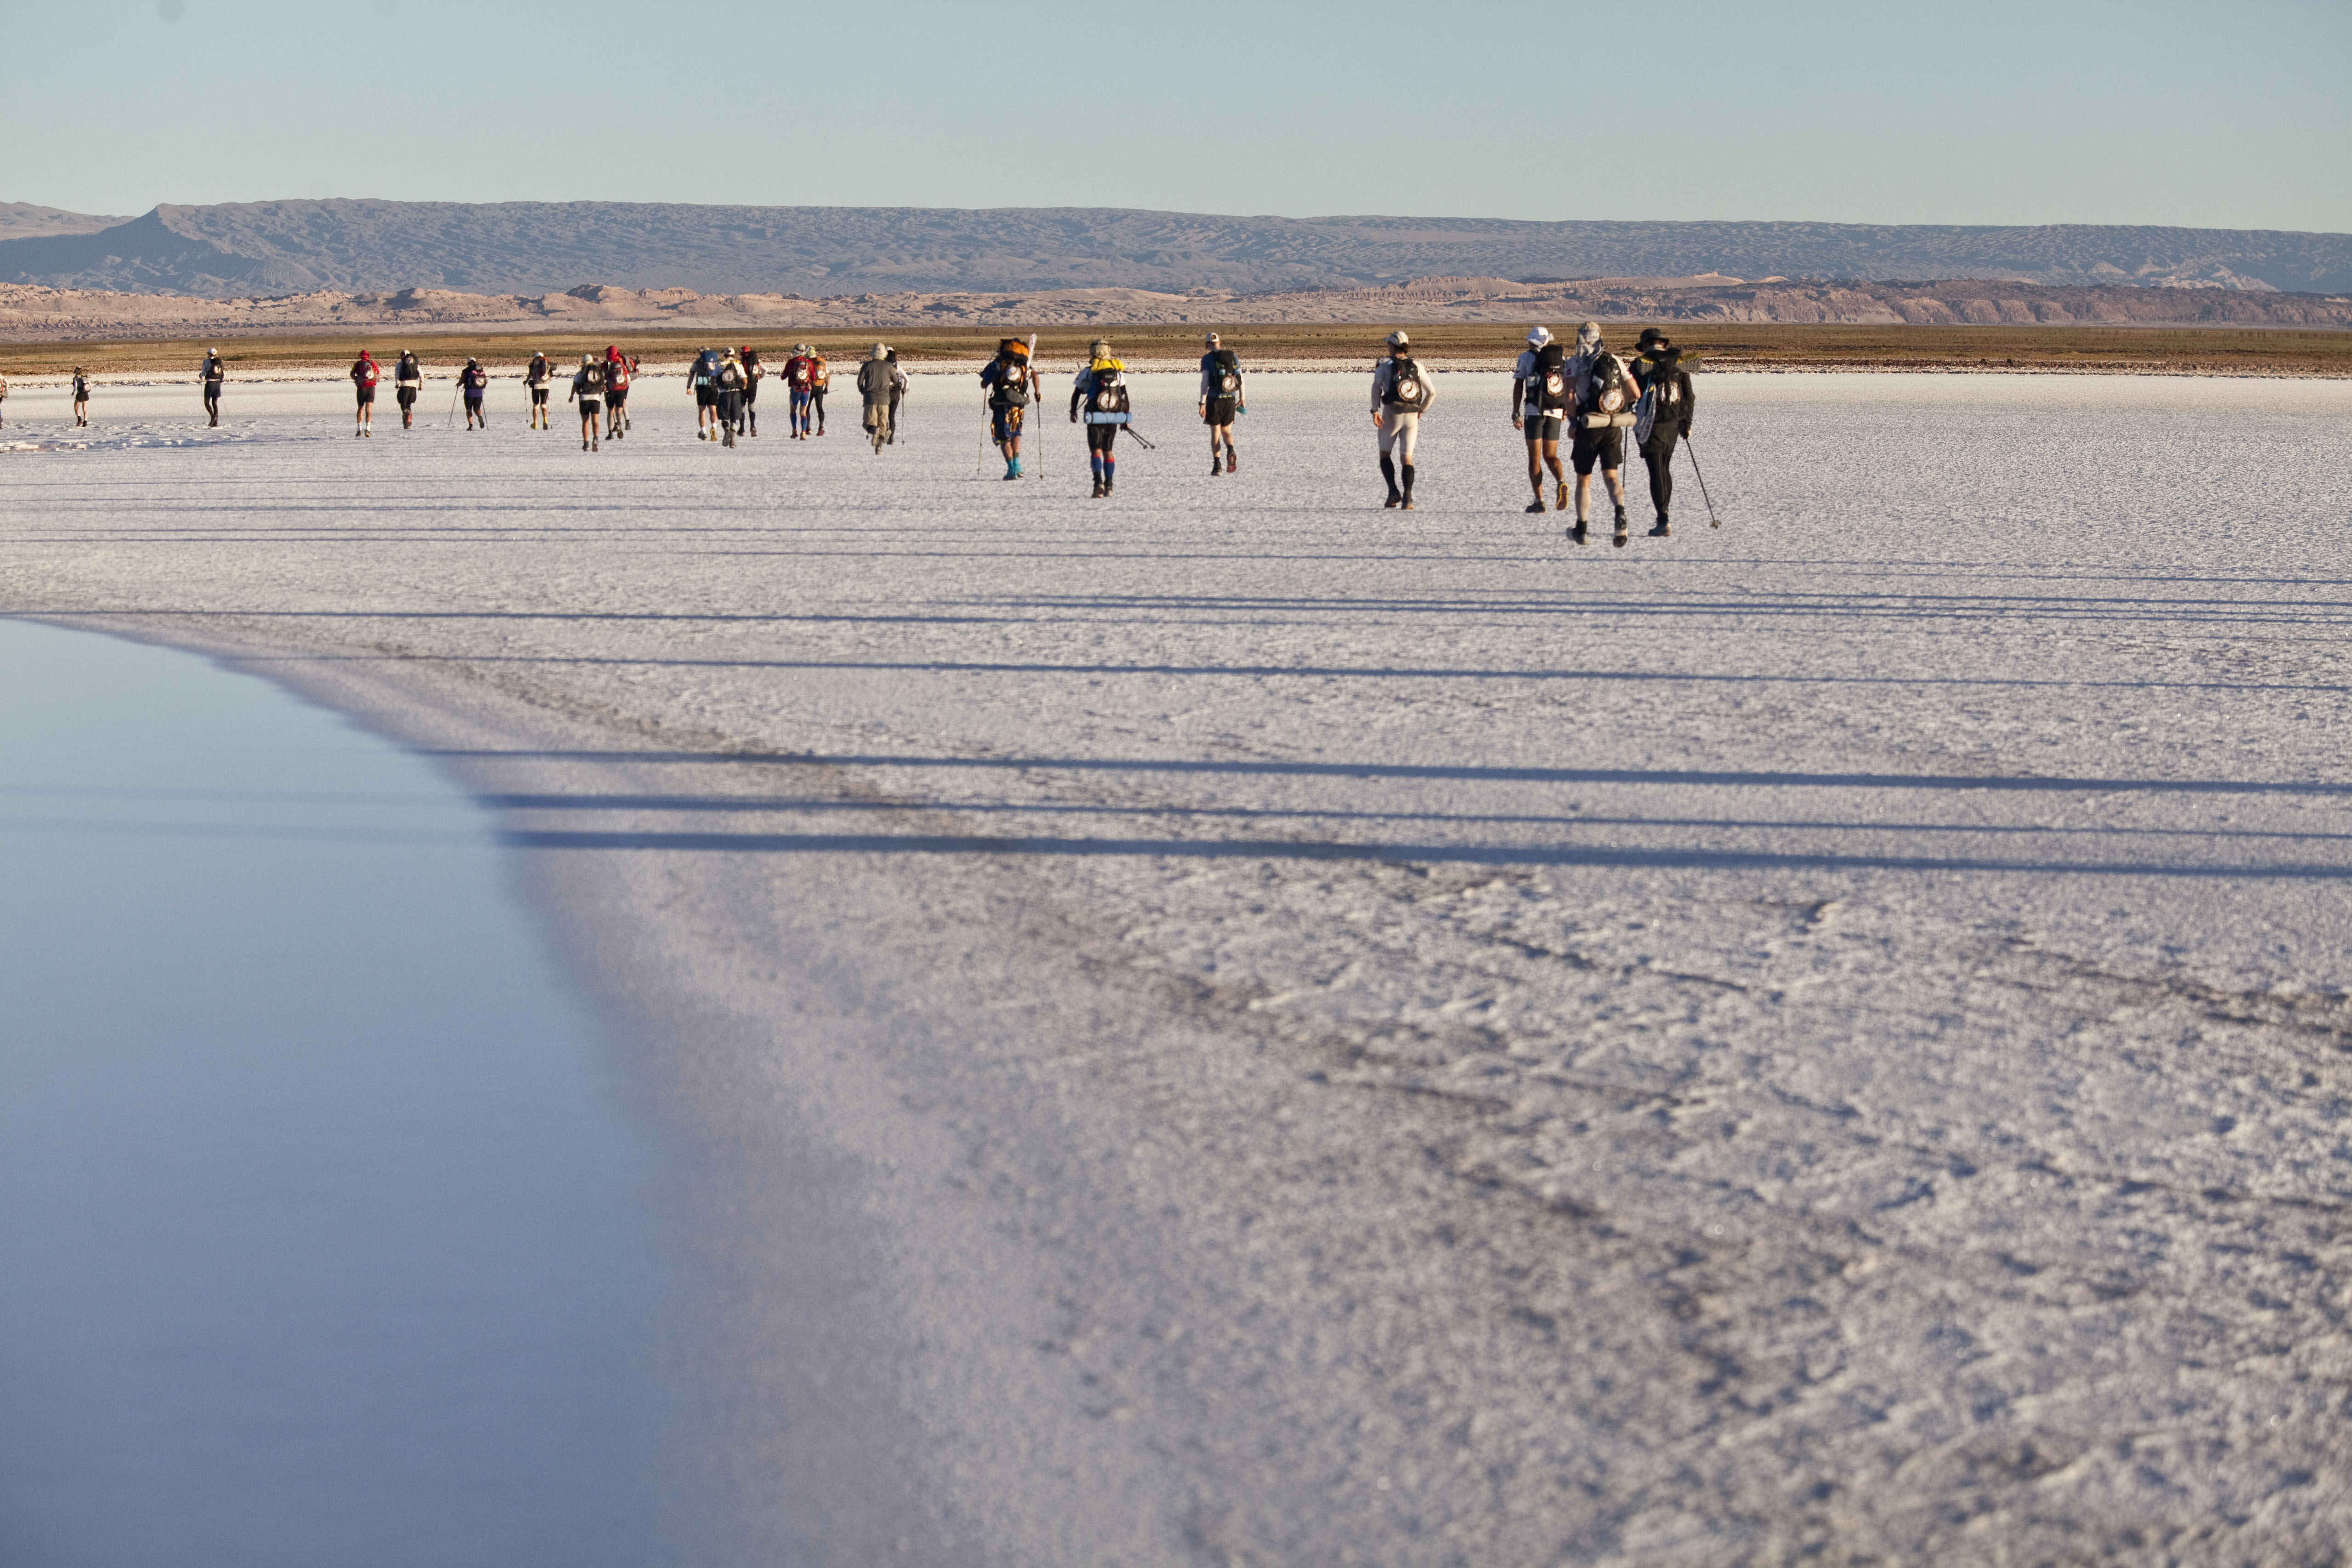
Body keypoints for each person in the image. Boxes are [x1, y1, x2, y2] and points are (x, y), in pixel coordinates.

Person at [1565, 322, 1635, 544]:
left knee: (1584, 479)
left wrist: (1574, 422)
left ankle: (1583, 529)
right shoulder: (1614, 360)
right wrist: (1616, 406)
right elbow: (1635, 393)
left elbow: (1568, 396)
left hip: (1589, 424)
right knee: (1611, 476)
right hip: (1613, 425)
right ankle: (1620, 513)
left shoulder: (1574, 363)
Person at [1628, 327, 1697, 538]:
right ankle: (1665, 515)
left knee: (1656, 470)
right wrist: (1686, 424)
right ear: (1663, 344)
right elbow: (1689, 397)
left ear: (1646, 345)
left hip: (1652, 425)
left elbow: (1632, 394)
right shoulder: (1680, 363)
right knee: (1665, 468)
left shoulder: (1641, 365)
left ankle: (1663, 519)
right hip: (1674, 425)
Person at [1511, 326, 1574, 513]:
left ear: (1535, 342)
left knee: (1535, 459)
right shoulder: (1561, 359)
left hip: (1534, 412)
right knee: (1551, 455)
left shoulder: (1526, 358)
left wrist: (1516, 413)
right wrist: (1565, 410)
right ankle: (1561, 481)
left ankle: (1540, 502)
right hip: (1555, 412)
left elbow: (1519, 385)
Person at [1370, 330, 1431, 509]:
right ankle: (1408, 498)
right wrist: (1421, 410)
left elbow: (1376, 389)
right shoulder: (1417, 366)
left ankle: (1393, 492)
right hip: (1412, 417)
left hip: (1391, 415)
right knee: (1407, 458)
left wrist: (1375, 411)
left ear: (1393, 346)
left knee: (1385, 454)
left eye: (1388, 344)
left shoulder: (1383, 367)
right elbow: (1432, 392)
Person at [1070, 338, 1130, 499]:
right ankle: (1109, 485)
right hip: (1113, 415)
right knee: (1108, 451)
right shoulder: (1117, 372)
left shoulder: (1089, 372)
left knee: (1096, 450)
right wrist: (1125, 418)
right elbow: (1124, 397)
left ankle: (1098, 484)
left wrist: (1073, 411)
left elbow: (1077, 393)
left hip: (1094, 415)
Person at [978, 337, 1035, 480]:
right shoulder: (1023, 364)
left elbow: (984, 383)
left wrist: (989, 381)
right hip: (1019, 404)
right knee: (1016, 434)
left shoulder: (999, 363)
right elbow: (1035, 376)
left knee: (1003, 438)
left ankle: (1011, 470)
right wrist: (1038, 393)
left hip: (1001, 404)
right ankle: (1018, 465)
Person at [1198, 331, 1244, 475]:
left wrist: (1202, 403)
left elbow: (1205, 383)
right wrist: (1243, 397)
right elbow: (1240, 378)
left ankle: (1217, 466)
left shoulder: (1207, 359)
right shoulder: (1232, 356)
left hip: (1214, 400)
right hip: (1230, 399)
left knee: (1216, 434)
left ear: (1207, 345)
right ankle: (1230, 449)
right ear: (1220, 342)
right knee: (1227, 432)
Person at [855, 342, 905, 453]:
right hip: (885, 400)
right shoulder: (888, 366)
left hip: (870, 399)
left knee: (868, 424)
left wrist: (863, 391)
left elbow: (860, 382)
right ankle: (879, 447)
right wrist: (899, 387)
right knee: (883, 424)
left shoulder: (867, 366)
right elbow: (897, 381)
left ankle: (874, 431)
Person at [568, 353, 605, 451]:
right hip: (596, 399)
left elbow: (575, 386)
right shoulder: (598, 371)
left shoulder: (581, 374)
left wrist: (571, 396)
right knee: (596, 422)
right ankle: (596, 438)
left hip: (584, 399)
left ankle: (586, 444)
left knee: (585, 422)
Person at [713, 349, 747, 447]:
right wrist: (743, 388)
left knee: (724, 417)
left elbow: (712, 379)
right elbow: (745, 380)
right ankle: (732, 442)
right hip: (736, 394)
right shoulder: (738, 365)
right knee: (734, 419)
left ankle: (726, 430)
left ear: (724, 355)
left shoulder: (720, 365)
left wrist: (716, 388)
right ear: (733, 355)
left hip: (724, 394)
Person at [782, 344, 815, 439]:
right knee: (803, 413)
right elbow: (813, 377)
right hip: (805, 391)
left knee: (793, 410)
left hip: (795, 390)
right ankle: (804, 433)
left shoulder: (791, 362)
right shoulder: (809, 362)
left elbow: (784, 376)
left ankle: (794, 431)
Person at [604, 345, 633, 440]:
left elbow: (602, 373)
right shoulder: (622, 361)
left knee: (610, 411)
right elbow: (631, 371)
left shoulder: (607, 364)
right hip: (623, 387)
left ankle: (611, 432)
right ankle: (625, 422)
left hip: (611, 389)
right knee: (621, 406)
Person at [691, 346, 720, 440]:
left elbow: (692, 373)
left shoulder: (698, 362)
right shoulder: (716, 362)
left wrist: (688, 387)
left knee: (702, 411)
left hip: (701, 387)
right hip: (713, 387)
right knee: (713, 409)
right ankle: (714, 427)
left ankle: (703, 432)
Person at [349, 350, 379, 436]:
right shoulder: (373, 364)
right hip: (371, 389)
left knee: (360, 408)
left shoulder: (358, 364)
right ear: (368, 356)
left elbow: (352, 375)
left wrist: (357, 380)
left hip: (361, 389)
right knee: (369, 410)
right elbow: (378, 377)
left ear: (361, 356)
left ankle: (359, 430)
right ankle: (368, 430)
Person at [394, 349, 424, 429]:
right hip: (413, 387)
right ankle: (407, 425)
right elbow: (421, 375)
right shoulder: (415, 364)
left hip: (404, 386)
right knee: (409, 405)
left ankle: (407, 417)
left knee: (403, 406)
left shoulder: (400, 364)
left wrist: (397, 383)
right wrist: (421, 385)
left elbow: (397, 374)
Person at [524, 350, 554, 429]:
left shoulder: (534, 365)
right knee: (544, 405)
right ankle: (545, 421)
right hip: (546, 386)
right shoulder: (547, 365)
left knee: (536, 406)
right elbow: (551, 376)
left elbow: (530, 375)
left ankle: (535, 424)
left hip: (536, 386)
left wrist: (526, 382)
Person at [738, 345, 762, 436]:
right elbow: (765, 370)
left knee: (742, 408)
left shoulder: (741, 362)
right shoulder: (756, 360)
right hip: (753, 387)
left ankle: (742, 429)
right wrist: (758, 378)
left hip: (743, 386)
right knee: (751, 407)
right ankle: (753, 427)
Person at [459, 356, 489, 430]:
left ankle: (471, 426)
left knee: (469, 409)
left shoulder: (466, 371)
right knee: (477, 409)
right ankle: (480, 416)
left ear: (468, 363)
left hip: (469, 392)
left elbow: (462, 381)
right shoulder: (480, 370)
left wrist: (458, 385)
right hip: (479, 392)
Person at [200, 347, 227, 426]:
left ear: (209, 354)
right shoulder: (220, 362)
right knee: (215, 403)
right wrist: (220, 382)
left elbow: (203, 374)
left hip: (210, 384)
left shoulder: (206, 362)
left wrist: (201, 377)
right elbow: (224, 375)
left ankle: (213, 417)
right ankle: (215, 423)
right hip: (217, 384)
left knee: (206, 403)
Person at [808, 345, 830, 435]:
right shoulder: (821, 363)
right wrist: (826, 388)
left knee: (807, 408)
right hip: (820, 387)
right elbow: (827, 377)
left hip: (810, 388)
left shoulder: (808, 362)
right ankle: (821, 427)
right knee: (820, 408)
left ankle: (807, 428)